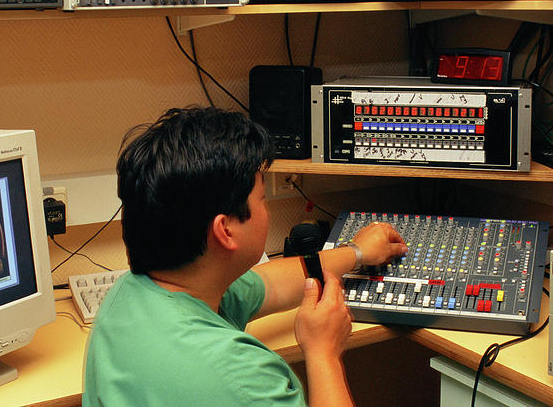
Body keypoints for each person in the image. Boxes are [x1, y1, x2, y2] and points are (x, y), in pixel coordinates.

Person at [82, 107, 407, 406]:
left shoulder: (127, 295)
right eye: (262, 198)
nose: (265, 209)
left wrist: (357, 252)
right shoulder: (242, 378)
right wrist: (324, 352)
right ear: (225, 231)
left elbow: (270, 285)